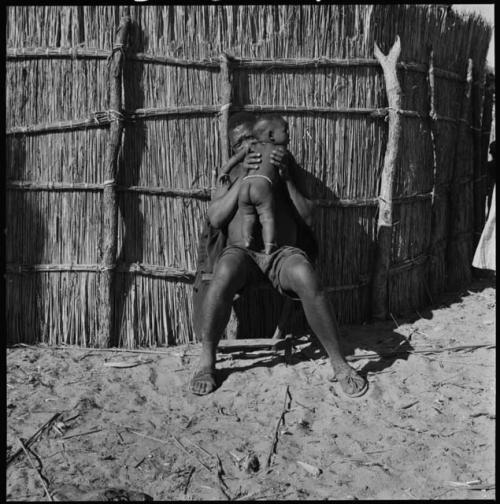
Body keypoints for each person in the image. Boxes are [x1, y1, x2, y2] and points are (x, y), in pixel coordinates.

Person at [190, 112, 368, 398]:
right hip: (242, 254)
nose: (247, 147)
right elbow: (215, 217)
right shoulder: (230, 172)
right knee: (223, 272)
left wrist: (285, 179)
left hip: (281, 255)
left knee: (305, 275)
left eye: (250, 139)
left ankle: (340, 364)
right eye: (239, 143)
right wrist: (242, 180)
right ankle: (207, 363)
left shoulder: (284, 164)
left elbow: (308, 217)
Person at [220, 114, 291, 254]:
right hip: (261, 187)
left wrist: (224, 170)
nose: (246, 144)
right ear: (271, 135)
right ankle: (270, 245)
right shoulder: (279, 151)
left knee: (248, 216)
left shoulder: (257, 150)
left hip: (245, 189)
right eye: (239, 143)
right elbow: (215, 219)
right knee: (267, 217)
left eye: (248, 137)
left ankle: (247, 241)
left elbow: (234, 159)